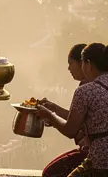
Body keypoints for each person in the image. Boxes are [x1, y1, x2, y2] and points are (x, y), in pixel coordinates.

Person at [36, 43, 108, 177]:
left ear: (88, 64)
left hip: (106, 162)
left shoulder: (84, 92)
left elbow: (70, 130)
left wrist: (49, 115)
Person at [39, 43, 91, 177]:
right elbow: (76, 118)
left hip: (94, 154)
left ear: (82, 63)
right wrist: (54, 109)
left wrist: (50, 115)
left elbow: (71, 129)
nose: (69, 68)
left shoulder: (85, 88)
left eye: (70, 63)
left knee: (50, 173)